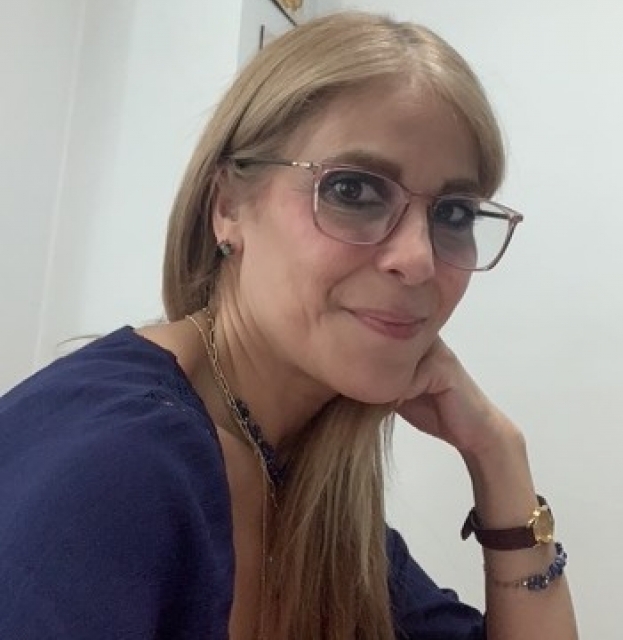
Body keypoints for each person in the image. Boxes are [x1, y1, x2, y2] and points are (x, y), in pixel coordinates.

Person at [0, 10, 577, 640]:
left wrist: (498, 453)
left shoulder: (311, 484)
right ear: (228, 206)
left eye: (455, 213)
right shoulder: (116, 471)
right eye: (353, 190)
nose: (418, 259)